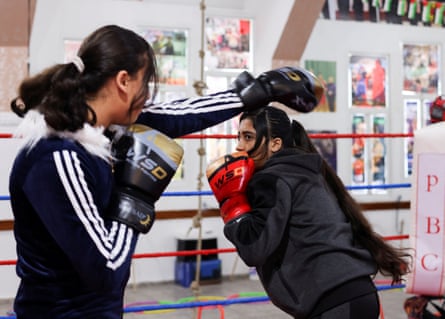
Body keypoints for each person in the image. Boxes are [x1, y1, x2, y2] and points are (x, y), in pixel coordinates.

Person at [8, 24, 323, 319]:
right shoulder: (58, 156)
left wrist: (258, 90)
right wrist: (134, 196)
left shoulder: (103, 130)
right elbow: (106, 269)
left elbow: (178, 116)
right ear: (123, 81)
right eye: (145, 83)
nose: (147, 94)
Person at [207, 106, 411, 319]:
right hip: (356, 295)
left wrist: (232, 203)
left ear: (275, 143)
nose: (240, 146)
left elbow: (254, 249)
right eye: (238, 136)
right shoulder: (305, 172)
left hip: (332, 303)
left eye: (248, 137)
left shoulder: (271, 180)